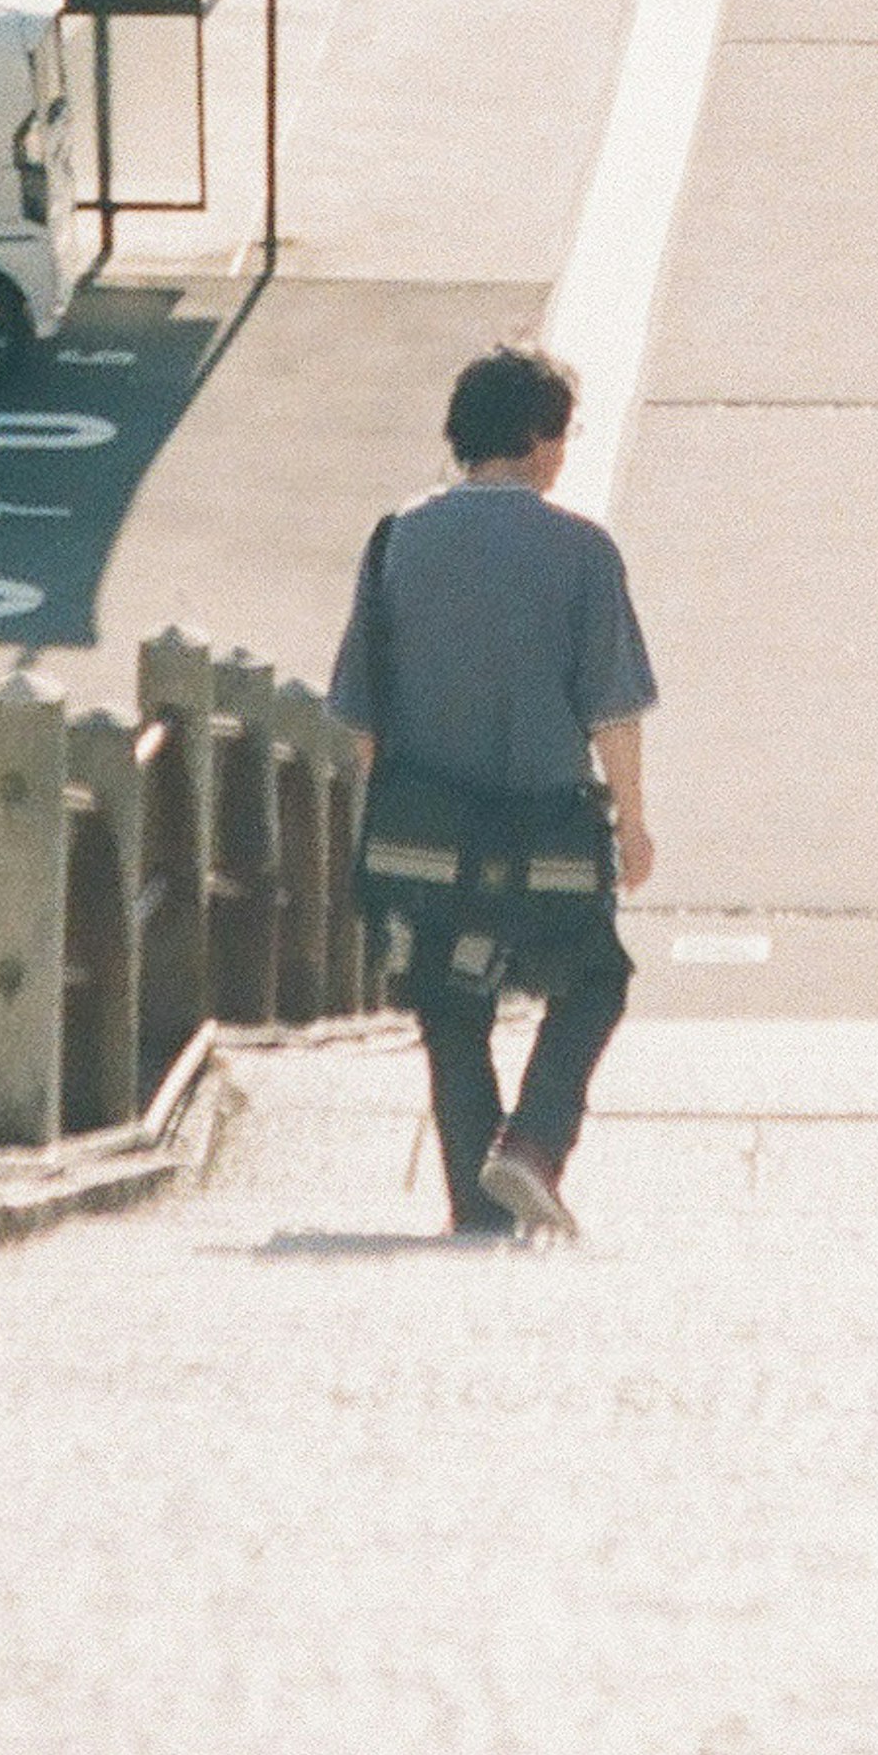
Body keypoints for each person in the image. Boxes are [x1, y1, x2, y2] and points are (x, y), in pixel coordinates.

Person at [328, 341, 656, 1243]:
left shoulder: (398, 539)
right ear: (539, 437)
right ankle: (534, 1145)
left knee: (450, 1002)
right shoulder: (583, 552)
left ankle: (477, 1209)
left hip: (425, 830)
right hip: (546, 830)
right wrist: (632, 826)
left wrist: (378, 822)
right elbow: (613, 712)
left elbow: (360, 716)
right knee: (595, 979)